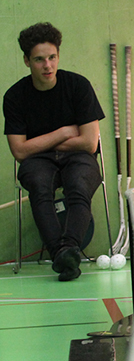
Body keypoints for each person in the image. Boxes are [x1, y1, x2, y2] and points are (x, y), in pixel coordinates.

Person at [3, 22, 105, 282]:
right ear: (27, 61)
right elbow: (19, 151)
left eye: (52, 57)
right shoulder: (14, 96)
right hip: (38, 162)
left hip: (78, 157)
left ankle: (66, 250)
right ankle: (64, 253)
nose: (47, 66)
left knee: (78, 185)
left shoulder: (78, 85)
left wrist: (39, 143)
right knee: (39, 186)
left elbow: (89, 144)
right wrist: (62, 133)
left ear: (58, 56)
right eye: (39, 60)